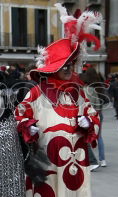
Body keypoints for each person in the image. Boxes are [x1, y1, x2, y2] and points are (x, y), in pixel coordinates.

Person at [15, 4, 101, 196]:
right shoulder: (37, 92)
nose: (68, 69)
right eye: (64, 65)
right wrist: (28, 126)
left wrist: (89, 123)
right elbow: (19, 115)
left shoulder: (78, 92)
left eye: (70, 64)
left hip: (76, 156)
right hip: (48, 156)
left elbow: (93, 116)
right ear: (53, 68)